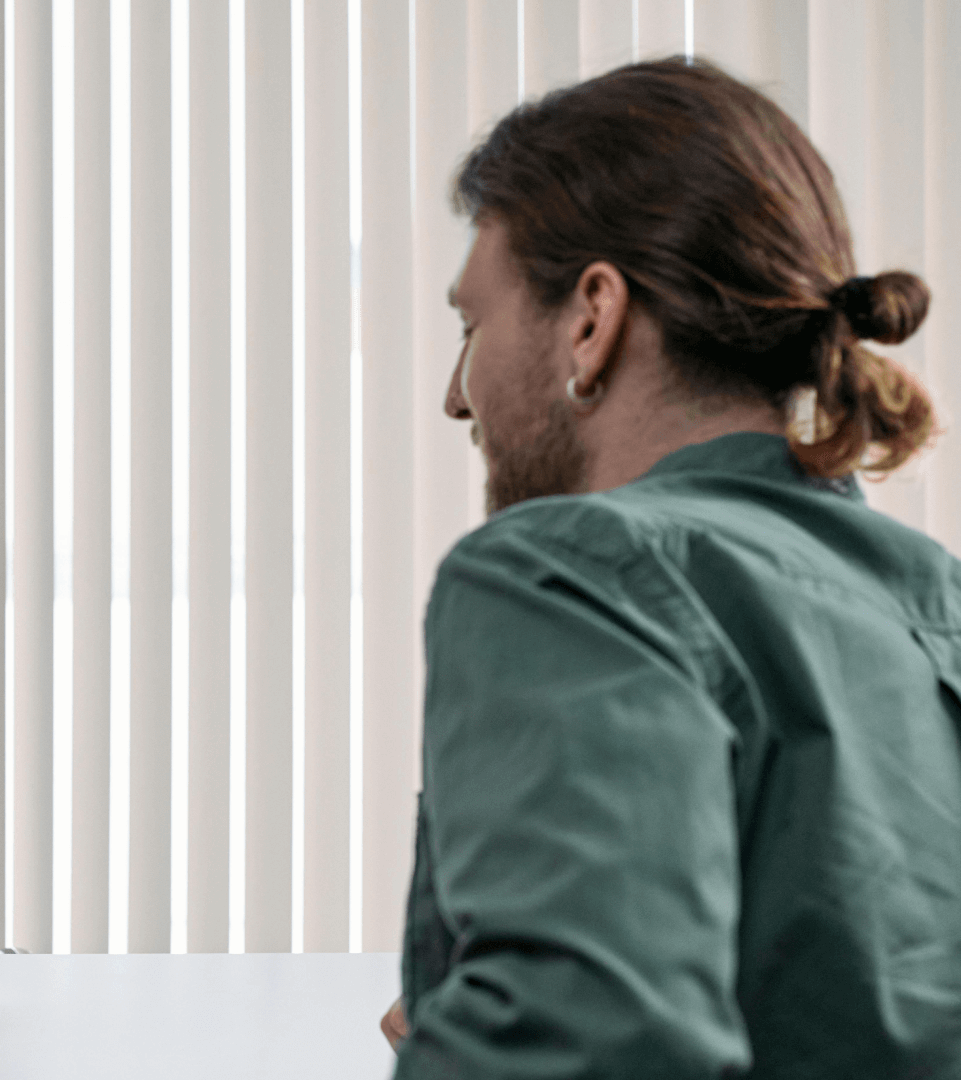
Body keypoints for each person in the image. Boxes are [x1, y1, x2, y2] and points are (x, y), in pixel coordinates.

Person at [384, 59, 961, 1076]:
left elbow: (590, 1052)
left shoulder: (569, 570)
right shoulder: (932, 600)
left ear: (593, 316)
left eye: (472, 326)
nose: (456, 399)